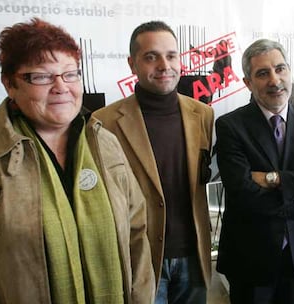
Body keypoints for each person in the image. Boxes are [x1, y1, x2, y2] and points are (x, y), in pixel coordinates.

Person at [0, 18, 155, 304]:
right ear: (10, 84)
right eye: (42, 76)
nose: (61, 87)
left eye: (70, 74)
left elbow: (136, 231)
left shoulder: (104, 142)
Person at [93, 20, 214, 304]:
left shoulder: (203, 114)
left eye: (171, 55)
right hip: (142, 259)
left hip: (194, 256)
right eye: (151, 57)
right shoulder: (103, 123)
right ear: (132, 63)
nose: (164, 65)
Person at [214, 38, 294, 304]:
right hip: (250, 258)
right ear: (248, 82)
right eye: (263, 73)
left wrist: (275, 178)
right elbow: (242, 192)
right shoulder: (230, 126)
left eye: (280, 68)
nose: (275, 80)